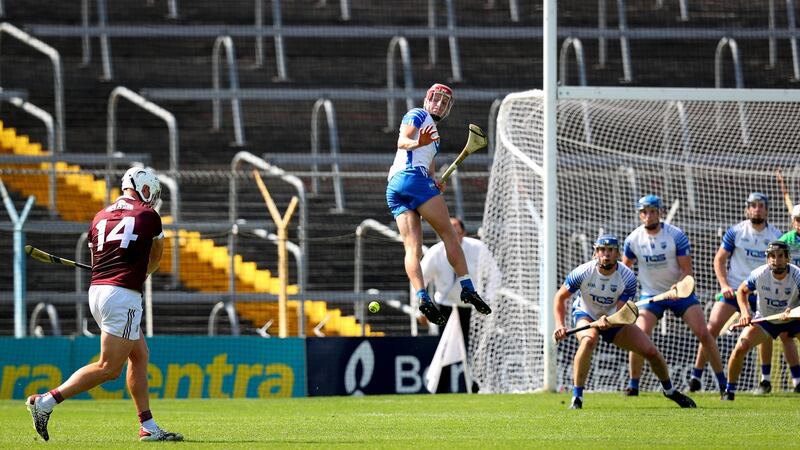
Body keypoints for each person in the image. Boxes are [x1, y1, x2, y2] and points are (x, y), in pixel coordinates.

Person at [26, 167, 183, 442]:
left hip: (97, 292)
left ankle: (148, 426)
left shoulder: (99, 216)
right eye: (150, 191)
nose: (151, 198)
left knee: (140, 355)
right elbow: (156, 258)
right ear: (141, 186)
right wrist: (143, 273)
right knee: (108, 368)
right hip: (123, 295)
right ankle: (46, 402)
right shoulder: (149, 216)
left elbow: (101, 260)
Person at [386, 83, 492, 326]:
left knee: (413, 249)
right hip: (411, 179)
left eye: (444, 103)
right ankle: (467, 286)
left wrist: (436, 183)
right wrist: (417, 142)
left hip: (396, 187)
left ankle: (422, 296)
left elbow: (430, 172)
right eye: (437, 99)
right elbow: (403, 141)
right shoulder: (417, 114)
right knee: (450, 236)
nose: (439, 105)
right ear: (427, 99)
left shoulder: (435, 137)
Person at [553, 234, 696, 409]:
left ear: (618, 254)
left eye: (611, 250)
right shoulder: (582, 272)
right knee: (589, 340)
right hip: (586, 314)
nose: (606, 254)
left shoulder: (627, 277)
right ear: (595, 253)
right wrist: (560, 325)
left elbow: (622, 313)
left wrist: (609, 321)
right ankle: (577, 398)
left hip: (614, 318)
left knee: (651, 352)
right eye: (602, 250)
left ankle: (670, 390)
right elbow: (560, 298)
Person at [690, 192, 796, 394]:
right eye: (753, 205)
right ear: (747, 209)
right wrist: (723, 285)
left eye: (761, 205)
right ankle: (696, 376)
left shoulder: (776, 235)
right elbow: (719, 259)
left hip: (764, 292)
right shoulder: (736, 232)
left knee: (767, 331)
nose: (757, 209)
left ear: (766, 209)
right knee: (710, 329)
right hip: (736, 291)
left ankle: (765, 381)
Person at [622, 195, 726, 395]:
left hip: (680, 293)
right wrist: (625, 297)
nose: (649, 215)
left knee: (703, 333)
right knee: (639, 334)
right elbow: (624, 272)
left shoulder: (675, 235)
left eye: (653, 211)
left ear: (659, 212)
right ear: (640, 214)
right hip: (651, 295)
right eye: (644, 212)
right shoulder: (633, 239)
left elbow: (687, 271)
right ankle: (633, 385)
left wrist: (678, 289)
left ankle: (724, 385)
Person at [420, 217, 500, 392]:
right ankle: (440, 388)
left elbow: (494, 275)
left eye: (455, 230)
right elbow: (420, 279)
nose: (451, 234)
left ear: (463, 232)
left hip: (471, 308)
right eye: (447, 230)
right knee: (445, 346)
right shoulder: (435, 252)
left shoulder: (477, 248)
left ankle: (477, 385)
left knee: (473, 348)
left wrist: (486, 300)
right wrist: (420, 308)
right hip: (445, 306)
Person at [723, 240, 800, 399]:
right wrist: (745, 313)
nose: (775, 260)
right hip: (766, 320)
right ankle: (728, 391)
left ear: (787, 258)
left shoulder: (797, 275)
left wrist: (792, 311)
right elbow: (742, 291)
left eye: (780, 256)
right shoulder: (759, 274)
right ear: (767, 258)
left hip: (794, 319)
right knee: (741, 346)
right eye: (772, 256)